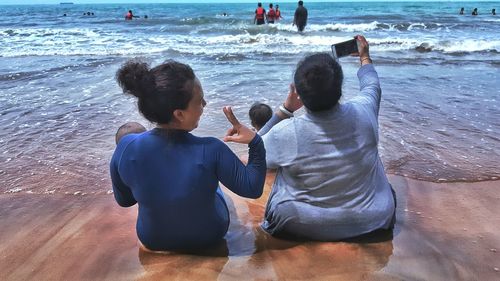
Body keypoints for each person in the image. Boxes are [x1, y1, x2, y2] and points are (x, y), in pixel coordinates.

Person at [111, 60, 266, 251]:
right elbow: (252, 188)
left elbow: (125, 201)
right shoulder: (211, 149)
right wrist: (255, 143)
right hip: (209, 236)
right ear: (179, 114)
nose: (205, 104)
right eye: (200, 100)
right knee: (215, 186)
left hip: (153, 239)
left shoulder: (126, 146)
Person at [258, 35, 396, 241]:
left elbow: (255, 151)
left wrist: (285, 110)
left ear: (298, 93)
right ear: (340, 88)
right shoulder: (364, 110)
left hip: (300, 224)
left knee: (278, 166)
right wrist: (364, 57)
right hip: (373, 220)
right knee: (377, 163)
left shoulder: (286, 132)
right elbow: (372, 85)